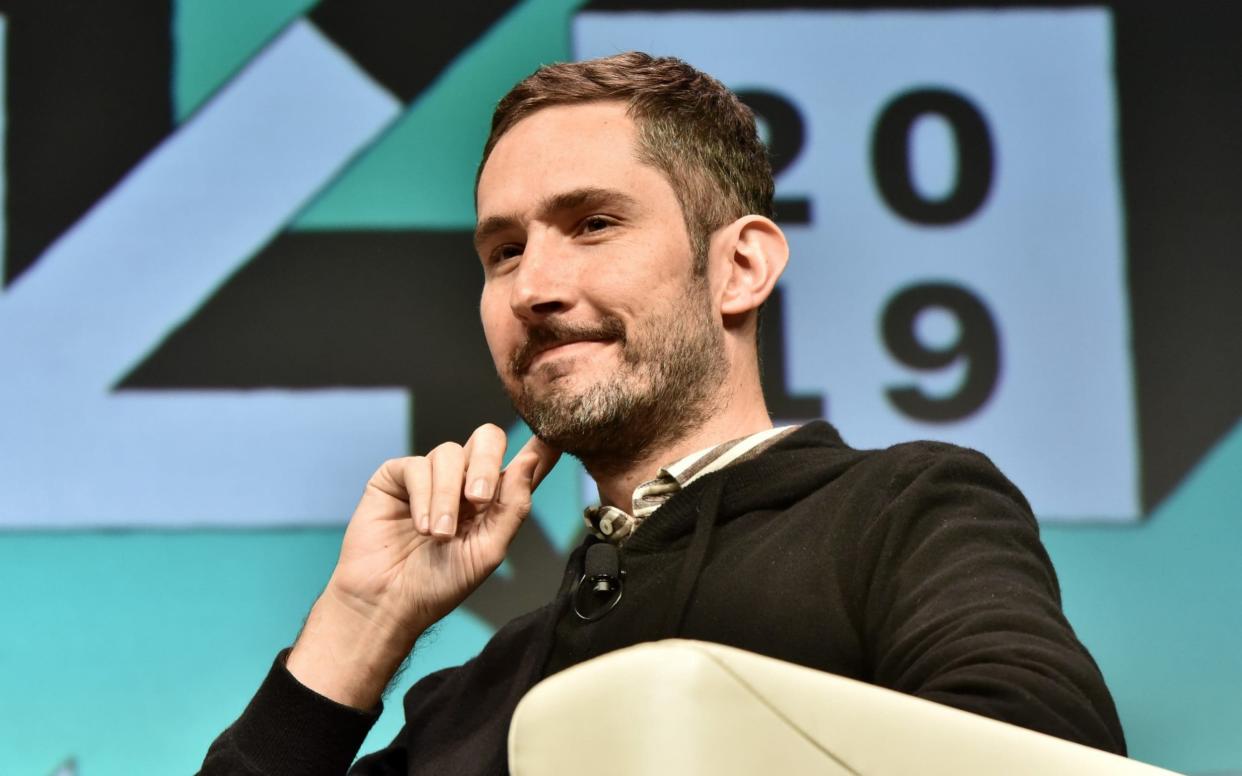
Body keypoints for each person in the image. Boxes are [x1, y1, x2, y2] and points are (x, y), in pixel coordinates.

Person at [200, 52, 1125, 775]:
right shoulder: (470, 705)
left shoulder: (899, 516)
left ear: (741, 267)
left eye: (594, 223)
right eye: (504, 249)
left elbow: (1046, 757)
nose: (535, 287)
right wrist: (363, 621)